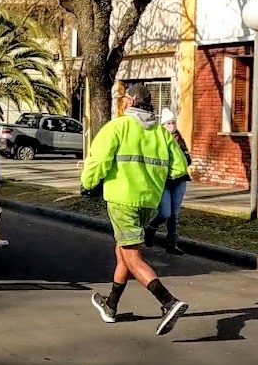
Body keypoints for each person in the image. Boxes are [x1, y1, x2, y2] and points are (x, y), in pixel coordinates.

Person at [80, 84, 191, 335]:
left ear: (130, 102)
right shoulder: (162, 134)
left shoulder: (117, 127)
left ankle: (169, 302)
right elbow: (179, 168)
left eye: (123, 99)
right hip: (148, 202)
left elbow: (97, 160)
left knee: (132, 257)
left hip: (122, 200)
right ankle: (110, 306)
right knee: (123, 252)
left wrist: (87, 184)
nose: (122, 103)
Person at [146, 108, 192, 255]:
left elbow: (187, 159)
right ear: (162, 125)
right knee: (165, 213)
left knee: (174, 214)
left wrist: (182, 159)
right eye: (168, 123)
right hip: (164, 181)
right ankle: (151, 229)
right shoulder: (158, 139)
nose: (171, 126)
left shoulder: (179, 138)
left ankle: (171, 244)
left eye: (173, 123)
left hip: (179, 180)